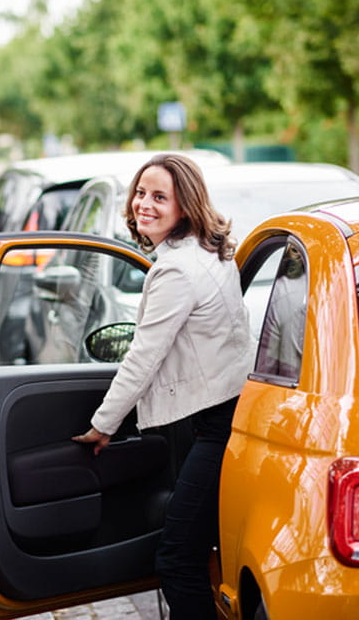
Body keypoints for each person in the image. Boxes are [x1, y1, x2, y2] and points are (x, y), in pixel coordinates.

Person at [73, 153, 254, 620]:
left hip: (219, 424)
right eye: (140, 193)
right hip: (233, 411)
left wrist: (102, 426)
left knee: (176, 559)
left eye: (159, 197)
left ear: (185, 206)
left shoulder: (175, 270)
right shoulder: (211, 252)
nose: (143, 204)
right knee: (197, 551)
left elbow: (142, 358)